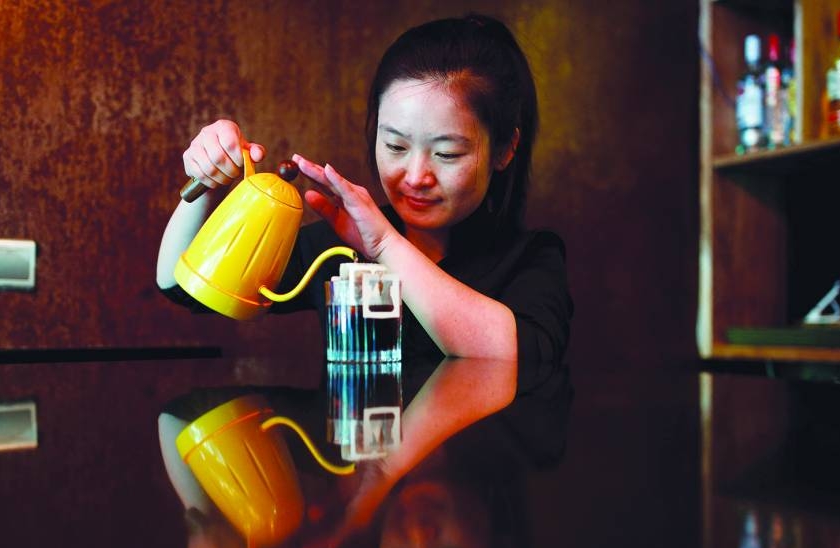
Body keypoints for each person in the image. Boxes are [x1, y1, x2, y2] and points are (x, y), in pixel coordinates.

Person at [157, 14, 572, 361]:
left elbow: (521, 355)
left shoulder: (532, 259)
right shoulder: (338, 246)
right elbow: (182, 287)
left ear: (504, 149)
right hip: (355, 460)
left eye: (447, 154)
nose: (415, 176)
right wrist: (207, 180)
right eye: (395, 145)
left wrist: (386, 248)